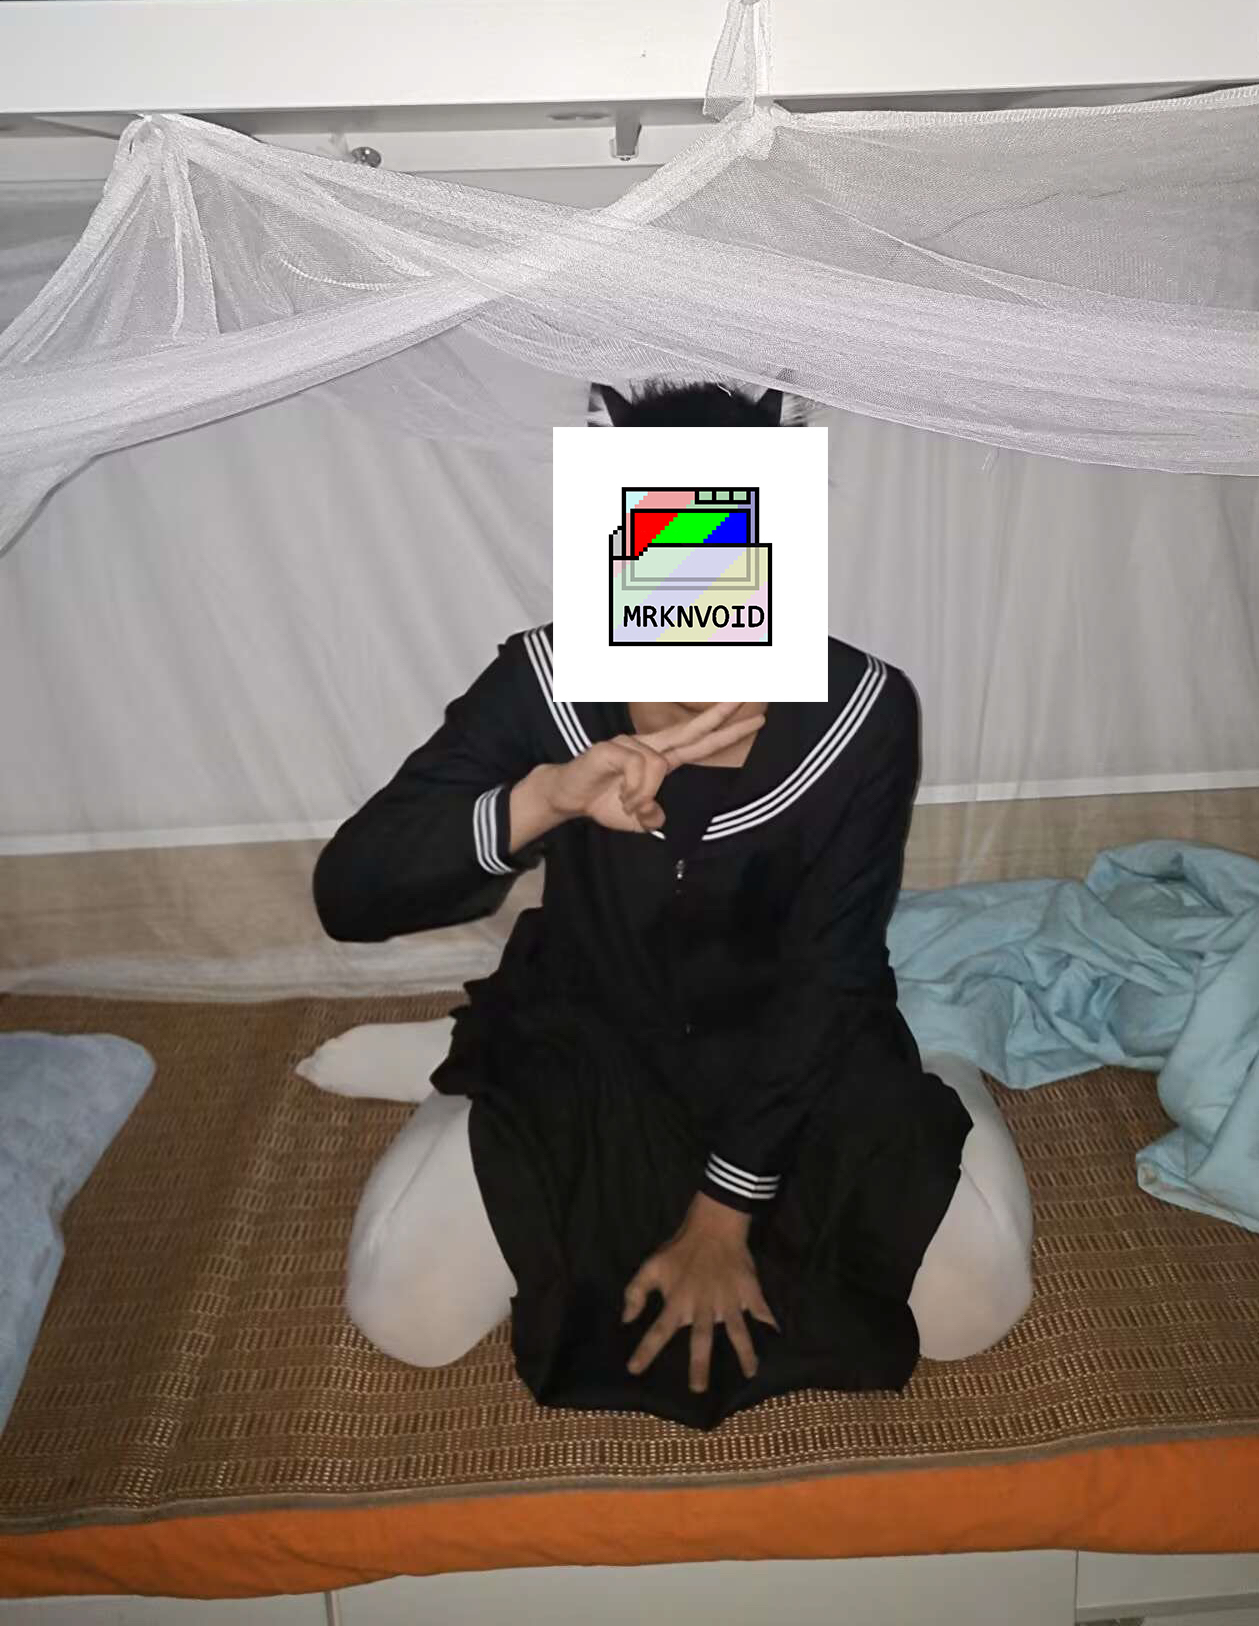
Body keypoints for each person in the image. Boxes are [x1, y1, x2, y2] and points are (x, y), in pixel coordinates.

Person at [312, 381, 1031, 1428]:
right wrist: (544, 798)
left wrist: (724, 1213)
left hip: (795, 1043)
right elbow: (349, 892)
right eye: (662, 552)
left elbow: (829, 974)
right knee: (405, 1316)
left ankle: (945, 1058)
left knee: (972, 1309)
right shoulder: (547, 679)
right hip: (590, 1036)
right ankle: (459, 1067)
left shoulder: (864, 709)